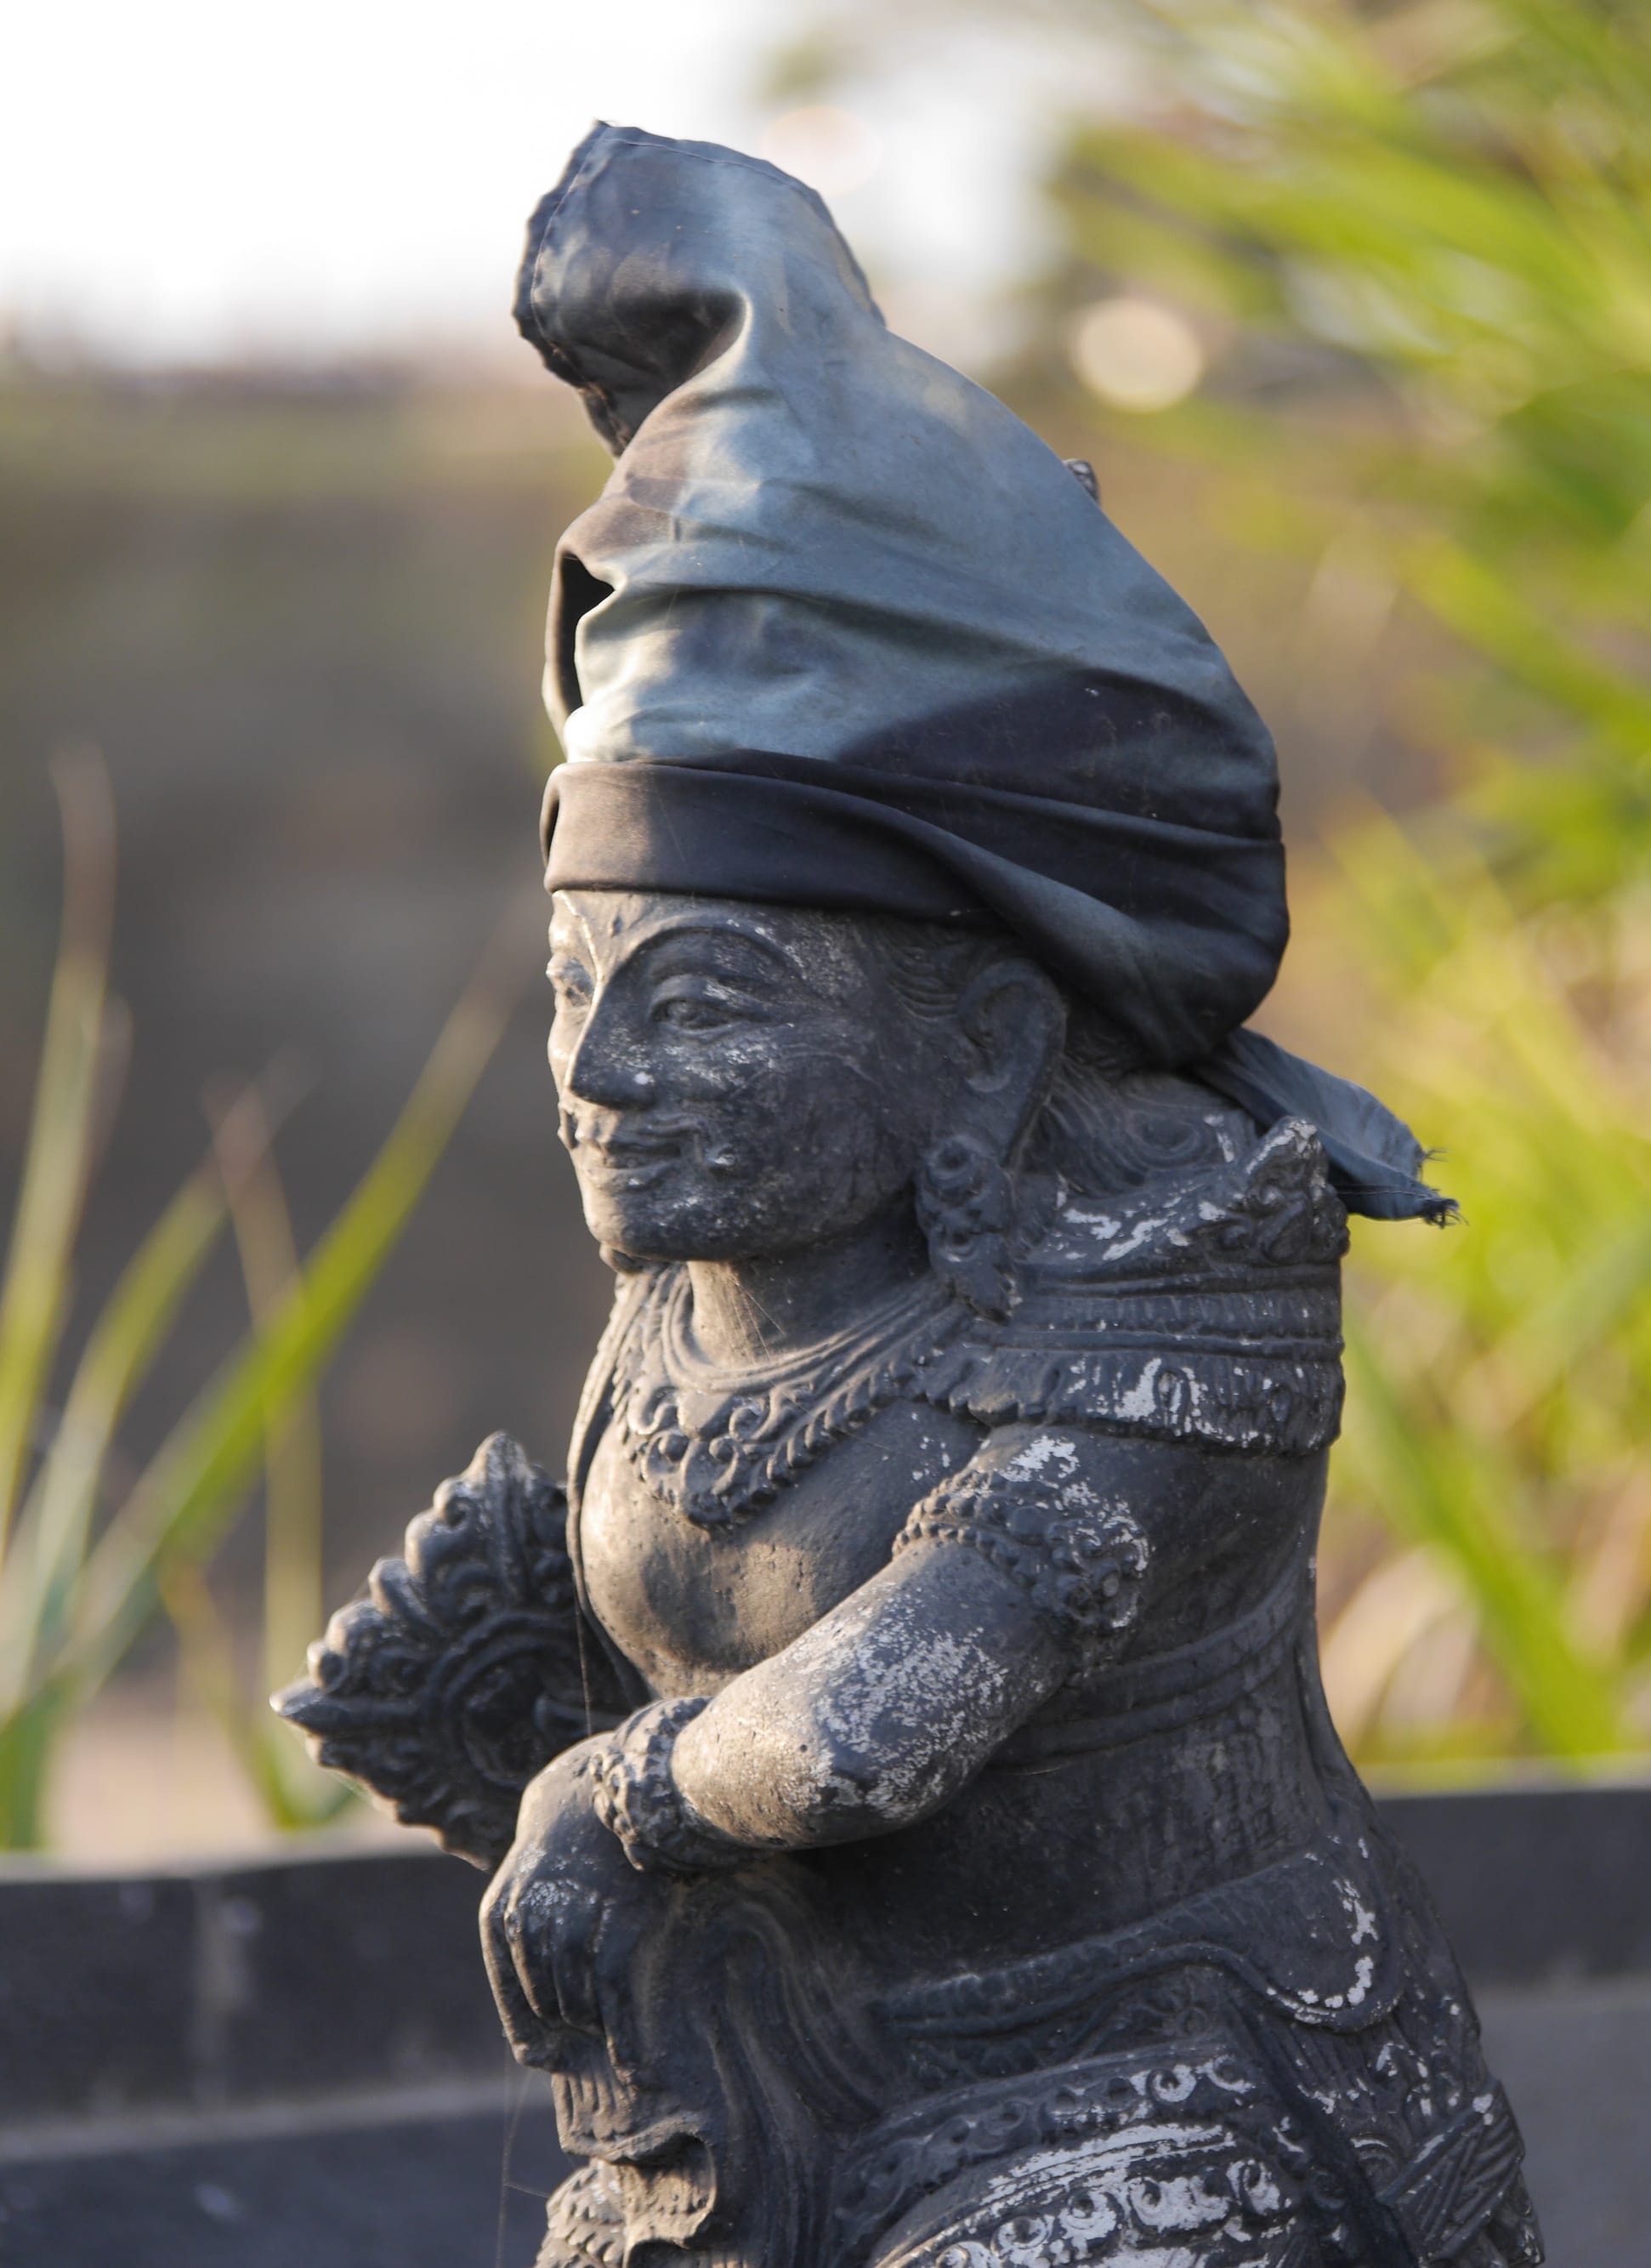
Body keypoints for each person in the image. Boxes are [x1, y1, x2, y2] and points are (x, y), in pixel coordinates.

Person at [288, 123, 1543, 2268]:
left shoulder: (1173, 1296)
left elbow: (879, 1724)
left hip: (1160, 2081)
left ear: (981, 1043)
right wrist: (514, 1707)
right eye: (582, 992)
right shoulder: (708, 1272)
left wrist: (608, 1791)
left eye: (700, 1005)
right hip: (765, 2082)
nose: (600, 1078)